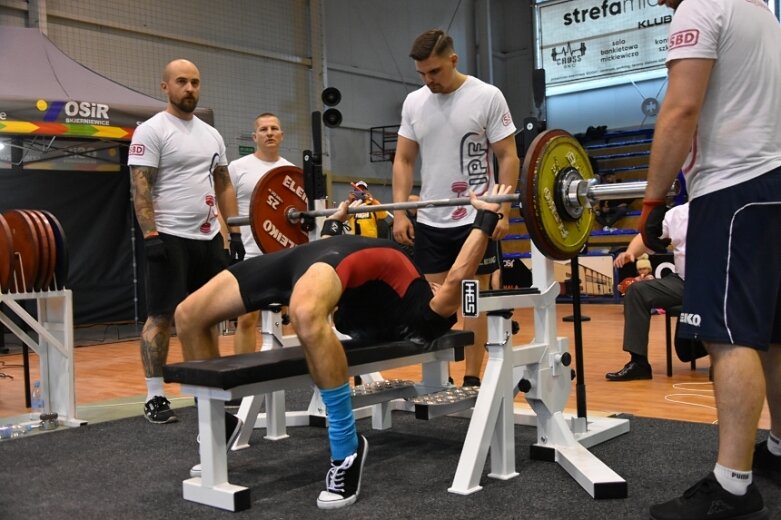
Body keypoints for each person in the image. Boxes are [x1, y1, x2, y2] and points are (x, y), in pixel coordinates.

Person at [175, 184, 514, 509]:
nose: (438, 284)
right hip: (311, 256)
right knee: (188, 314)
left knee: (306, 313)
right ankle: (221, 423)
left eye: (441, 289)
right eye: (436, 284)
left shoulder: (427, 318)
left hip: (330, 262)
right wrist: (336, 220)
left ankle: (346, 448)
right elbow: (332, 258)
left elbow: (457, 276)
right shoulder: (417, 300)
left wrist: (485, 220)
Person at [639, 1, 781, 518]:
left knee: (729, 337)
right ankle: (778, 452)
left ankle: (732, 487)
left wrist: (654, 199)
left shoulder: (699, 8)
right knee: (771, 333)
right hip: (774, 182)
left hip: (731, 188)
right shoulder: (760, 11)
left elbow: (680, 110)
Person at [392, 29, 520, 387]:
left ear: (453, 59)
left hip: (476, 218)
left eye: (434, 71)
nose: (428, 80)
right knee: (433, 306)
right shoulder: (414, 102)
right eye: (422, 74)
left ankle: (473, 379)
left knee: (471, 301)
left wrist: (503, 210)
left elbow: (508, 156)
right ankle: (439, 382)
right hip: (432, 220)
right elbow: (403, 159)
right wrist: (401, 211)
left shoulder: (486, 96)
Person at [128, 58, 243, 424]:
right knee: (161, 317)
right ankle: (155, 396)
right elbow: (140, 185)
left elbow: (223, 183)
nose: (189, 88)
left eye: (194, 82)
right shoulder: (151, 130)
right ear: (165, 86)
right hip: (168, 236)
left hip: (207, 237)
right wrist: (150, 235)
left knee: (205, 316)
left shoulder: (211, 135)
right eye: (181, 82)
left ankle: (205, 389)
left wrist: (235, 230)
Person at [228, 112, 294, 355]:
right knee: (246, 318)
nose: (269, 133)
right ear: (255, 136)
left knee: (286, 316)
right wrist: (229, 242)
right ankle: (243, 376)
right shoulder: (237, 168)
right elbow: (223, 207)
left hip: (283, 254)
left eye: (274, 128)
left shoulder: (290, 170)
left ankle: (285, 375)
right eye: (264, 129)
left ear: (281, 135)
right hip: (249, 253)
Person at [606, 203, 688, 381]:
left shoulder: (723, 206)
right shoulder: (676, 214)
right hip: (683, 281)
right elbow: (646, 237)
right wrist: (630, 252)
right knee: (637, 291)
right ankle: (639, 363)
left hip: (718, 283)